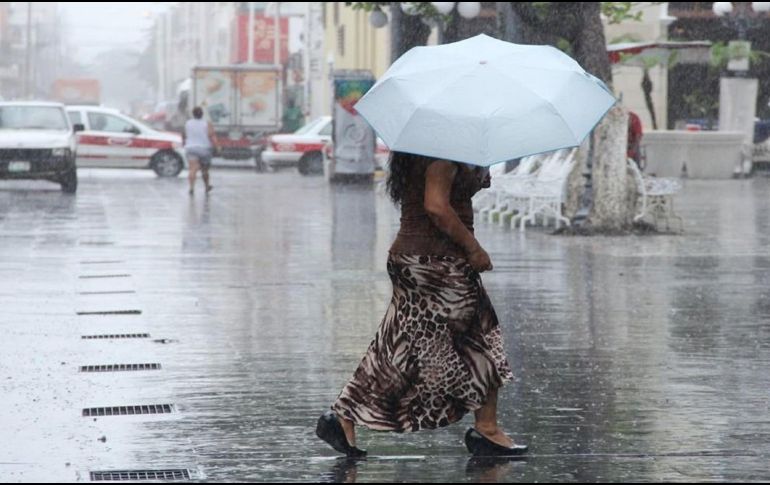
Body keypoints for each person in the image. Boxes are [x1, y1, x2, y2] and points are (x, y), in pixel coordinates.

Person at [316, 152, 529, 458]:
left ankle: (343, 416)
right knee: (479, 337)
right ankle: (488, 429)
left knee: (397, 346)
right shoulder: (442, 152)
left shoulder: (424, 149)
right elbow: (436, 207)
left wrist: (471, 180)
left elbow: (435, 195)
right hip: (436, 262)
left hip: (414, 258)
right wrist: (474, 248)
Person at [183, 107, 218, 195]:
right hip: (204, 149)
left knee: (192, 169)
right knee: (205, 170)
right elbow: (211, 135)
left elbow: (184, 135)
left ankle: (191, 188)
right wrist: (217, 146)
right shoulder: (207, 123)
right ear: (202, 114)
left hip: (191, 148)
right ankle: (206, 186)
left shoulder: (188, 123)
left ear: (193, 114)